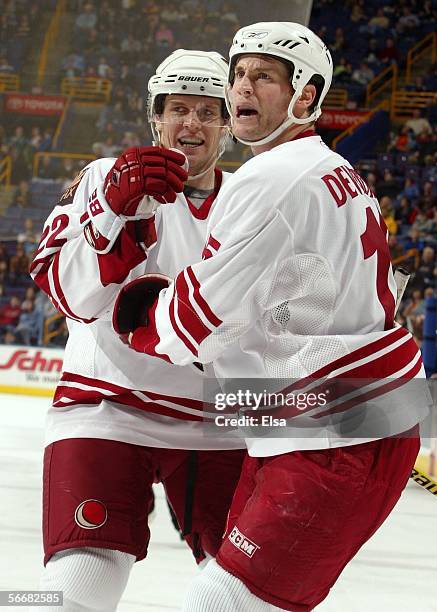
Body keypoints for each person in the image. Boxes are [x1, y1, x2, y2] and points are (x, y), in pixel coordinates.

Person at [114, 22, 429, 611]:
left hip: (333, 436)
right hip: (323, 423)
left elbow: (194, 319)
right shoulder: (336, 171)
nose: (242, 89)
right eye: (238, 75)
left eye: (264, 77)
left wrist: (143, 317)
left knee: (216, 603)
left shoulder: (271, 177)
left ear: (306, 96)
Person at [30, 50, 245, 611]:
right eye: (179, 109)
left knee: (247, 589)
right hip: (106, 406)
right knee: (80, 583)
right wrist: (111, 212)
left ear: (227, 124)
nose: (191, 124)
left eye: (208, 111)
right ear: (157, 117)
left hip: (213, 419)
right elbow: (71, 297)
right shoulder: (104, 177)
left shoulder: (254, 196)